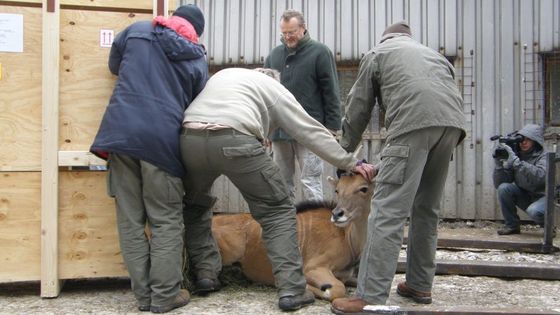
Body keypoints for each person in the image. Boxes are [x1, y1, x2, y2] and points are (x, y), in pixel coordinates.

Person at [179, 67, 374, 312]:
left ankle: (206, 273)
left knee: (196, 207)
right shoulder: (275, 91)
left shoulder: (221, 77)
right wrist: (350, 162)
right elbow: (311, 133)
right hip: (234, 137)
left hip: (189, 138)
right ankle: (292, 289)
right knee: (279, 210)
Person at [331, 21, 466, 313]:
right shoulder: (433, 55)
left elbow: (359, 107)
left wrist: (343, 155)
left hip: (412, 125)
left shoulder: (379, 53)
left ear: (385, 38)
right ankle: (419, 284)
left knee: (387, 211)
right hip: (452, 127)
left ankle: (369, 294)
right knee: (426, 209)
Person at [90, 5, 208, 313]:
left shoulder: (137, 31)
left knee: (130, 220)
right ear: (196, 32)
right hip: (162, 142)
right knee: (166, 220)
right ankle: (165, 296)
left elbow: (114, 66)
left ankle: (143, 297)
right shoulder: (197, 58)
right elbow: (197, 103)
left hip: (120, 134)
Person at [264, 9, 341, 202]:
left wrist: (332, 127)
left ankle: (315, 226)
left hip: (310, 129)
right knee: (281, 182)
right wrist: (264, 129)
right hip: (279, 131)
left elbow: (330, 90)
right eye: (284, 33)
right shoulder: (273, 55)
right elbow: (264, 94)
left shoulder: (320, 52)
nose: (288, 37)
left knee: (311, 181)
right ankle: (286, 227)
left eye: (292, 32)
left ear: (303, 28)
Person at [493, 124, 547, 235]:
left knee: (534, 210)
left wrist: (517, 163)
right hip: (527, 195)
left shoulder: (544, 156)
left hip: (545, 197)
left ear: (536, 141)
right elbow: (500, 184)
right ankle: (512, 226)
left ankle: (548, 227)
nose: (523, 142)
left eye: (528, 139)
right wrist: (499, 165)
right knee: (504, 188)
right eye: (521, 139)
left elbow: (540, 178)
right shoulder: (516, 155)